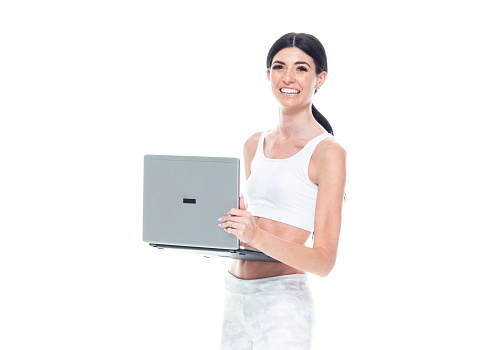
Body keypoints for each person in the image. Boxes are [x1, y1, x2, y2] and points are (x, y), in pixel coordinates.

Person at [219, 32, 346, 349]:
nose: (288, 77)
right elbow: (255, 228)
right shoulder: (253, 144)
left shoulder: (327, 152)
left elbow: (324, 261)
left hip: (282, 304)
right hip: (234, 294)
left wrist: (255, 235)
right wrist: (234, 228)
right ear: (268, 75)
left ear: (320, 78)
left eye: (301, 68)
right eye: (279, 67)